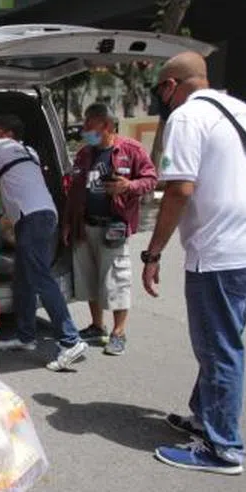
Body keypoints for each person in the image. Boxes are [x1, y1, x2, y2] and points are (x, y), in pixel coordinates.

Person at [141, 52, 246, 475]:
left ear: (170, 85)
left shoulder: (186, 117)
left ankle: (223, 449)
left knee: (218, 347)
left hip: (221, 251)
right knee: (223, 339)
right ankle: (204, 417)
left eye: (160, 90)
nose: (161, 98)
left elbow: (179, 190)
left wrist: (154, 252)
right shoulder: (241, 109)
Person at [0, 115, 87, 372]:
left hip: (32, 218)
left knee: (39, 276)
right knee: (23, 277)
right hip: (44, 214)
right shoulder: (30, 152)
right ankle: (25, 336)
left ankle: (70, 340)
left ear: (6, 133)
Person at [62, 104, 158, 356]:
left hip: (113, 227)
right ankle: (97, 326)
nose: (84, 129)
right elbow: (74, 191)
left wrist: (128, 186)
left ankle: (119, 332)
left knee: (117, 280)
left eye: (89, 124)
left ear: (105, 125)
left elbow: (151, 179)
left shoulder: (131, 149)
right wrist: (69, 222)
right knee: (89, 278)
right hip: (85, 225)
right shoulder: (84, 154)